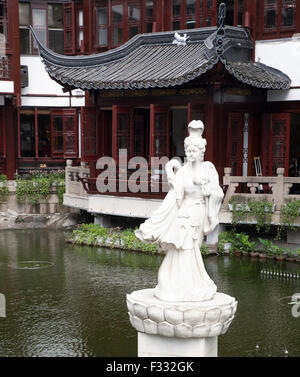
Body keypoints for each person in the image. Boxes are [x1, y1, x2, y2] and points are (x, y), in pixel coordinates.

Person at [135, 120, 224, 302]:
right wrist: (171, 175)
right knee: (179, 245)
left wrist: (209, 193)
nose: (190, 154)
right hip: (183, 212)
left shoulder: (208, 169)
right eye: (188, 150)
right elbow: (176, 195)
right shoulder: (183, 171)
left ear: (201, 152)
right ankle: (172, 282)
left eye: (194, 151)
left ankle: (192, 285)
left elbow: (218, 192)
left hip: (198, 212)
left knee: (190, 246)